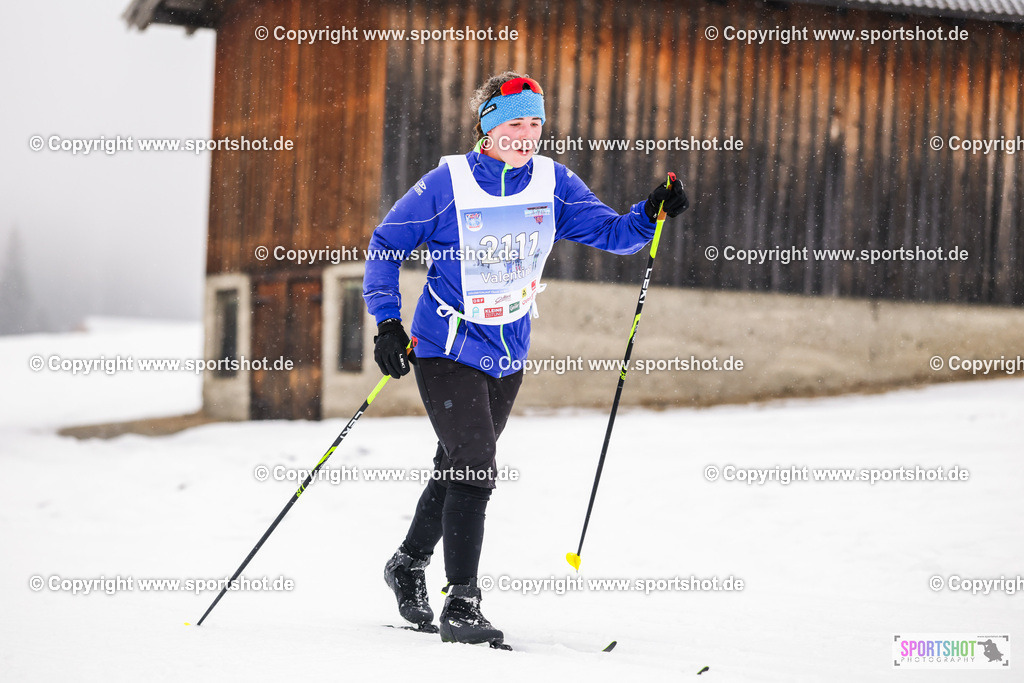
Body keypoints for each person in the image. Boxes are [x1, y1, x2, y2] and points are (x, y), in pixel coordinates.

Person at [363, 71, 688, 646]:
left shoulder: (553, 182)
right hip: (445, 343)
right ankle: (462, 603)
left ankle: (407, 563)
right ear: (487, 126)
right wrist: (388, 321)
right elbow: (387, 245)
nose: (527, 133)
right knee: (475, 462)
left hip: (508, 348)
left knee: (457, 464)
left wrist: (650, 211)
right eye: (515, 122)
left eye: (535, 122)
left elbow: (615, 234)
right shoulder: (447, 183)